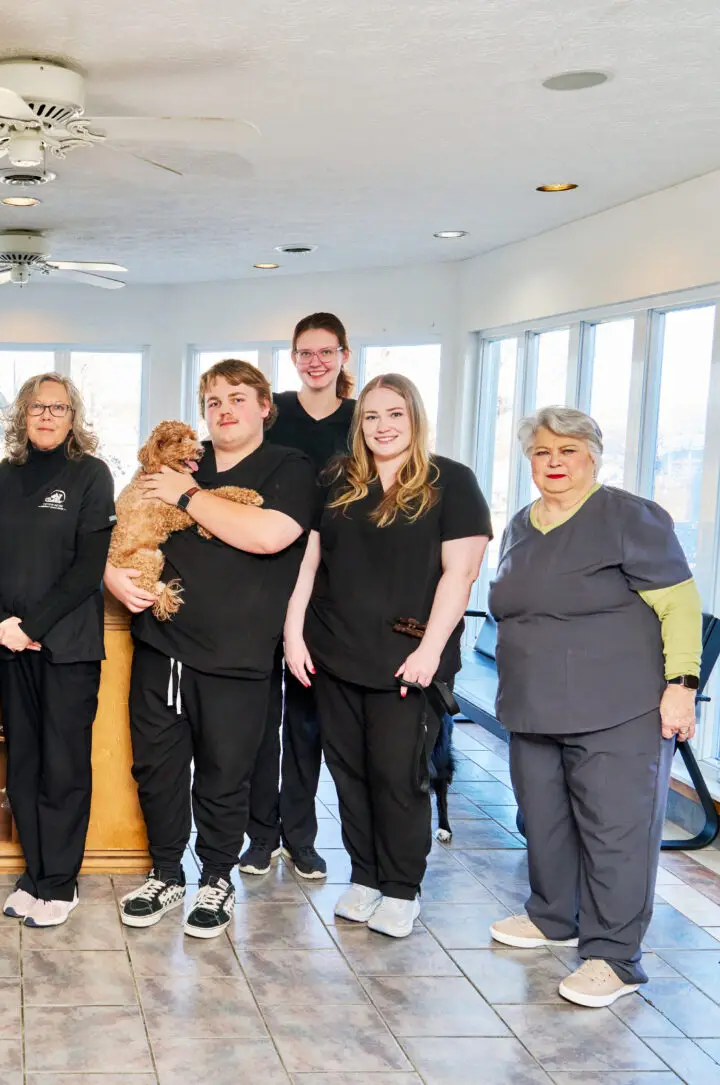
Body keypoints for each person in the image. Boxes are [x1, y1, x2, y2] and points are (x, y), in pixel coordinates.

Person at [487, 407, 701, 1008]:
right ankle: (554, 916)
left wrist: (682, 685)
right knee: (544, 821)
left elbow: (680, 605)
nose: (554, 462)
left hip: (617, 706)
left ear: (593, 457)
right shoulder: (522, 525)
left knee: (616, 833)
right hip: (533, 705)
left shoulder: (629, 517)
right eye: (542, 452)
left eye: (568, 451)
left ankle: (615, 956)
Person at [106, 359, 312, 938]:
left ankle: (216, 878)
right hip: (163, 644)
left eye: (238, 398)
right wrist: (109, 572)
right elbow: (128, 522)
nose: (224, 410)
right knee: (157, 768)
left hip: (237, 653)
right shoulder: (180, 461)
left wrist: (189, 495)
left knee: (225, 773)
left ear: (265, 406)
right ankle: (166, 872)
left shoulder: (289, 467)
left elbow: (269, 535)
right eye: (213, 400)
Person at [285, 373, 490, 938]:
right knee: (348, 773)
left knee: (398, 777)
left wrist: (430, 650)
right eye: (372, 416)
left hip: (407, 660)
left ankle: (401, 888)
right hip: (333, 653)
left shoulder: (452, 481)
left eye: (394, 414)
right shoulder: (339, 480)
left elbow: (460, 575)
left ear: (414, 417)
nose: (383, 426)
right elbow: (309, 564)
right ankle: (366, 877)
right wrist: (294, 634)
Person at [0, 373, 115, 928]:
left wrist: (32, 625)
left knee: (63, 766)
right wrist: (2, 622)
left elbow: (88, 568)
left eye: (58, 408)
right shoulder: (4, 476)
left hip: (67, 646)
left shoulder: (91, 474)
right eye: (37, 407)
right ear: (22, 414)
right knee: (26, 765)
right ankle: (34, 875)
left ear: (72, 417)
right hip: (12, 646)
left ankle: (61, 882)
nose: (47, 416)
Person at [242, 312, 358, 881]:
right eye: (305, 353)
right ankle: (260, 836)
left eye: (326, 352)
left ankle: (301, 836)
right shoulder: (272, 413)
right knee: (261, 719)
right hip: (263, 575)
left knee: (309, 720)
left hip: (329, 585)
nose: (316, 362)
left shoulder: (361, 419)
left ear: (343, 356)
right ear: (292, 358)